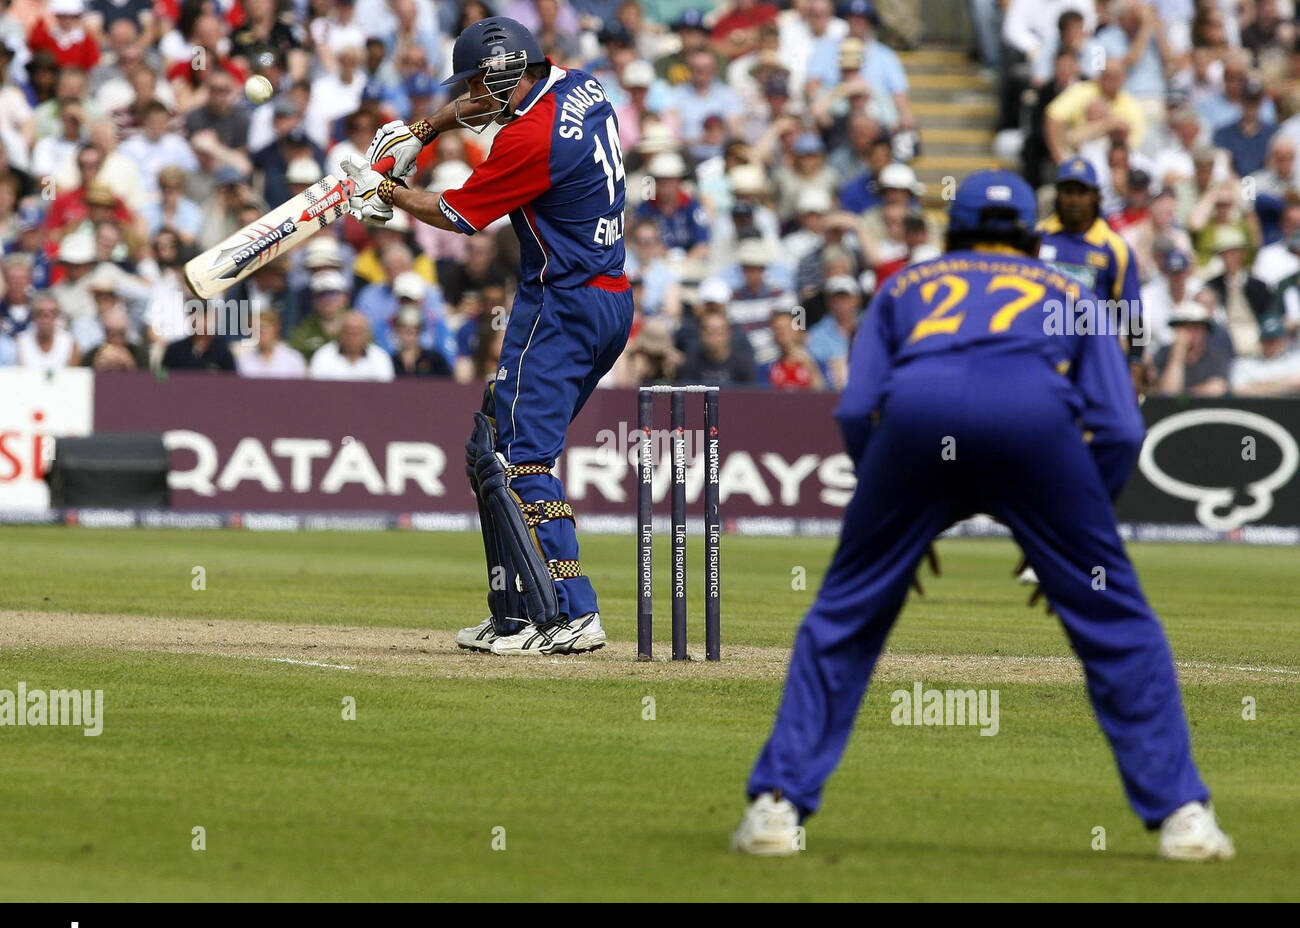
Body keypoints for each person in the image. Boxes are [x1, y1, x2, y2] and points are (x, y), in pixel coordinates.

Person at [731, 170, 1235, 864]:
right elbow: (1120, 430)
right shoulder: (1073, 293)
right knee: (1117, 623)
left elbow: (853, 409)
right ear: (1033, 233)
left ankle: (776, 808)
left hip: (916, 423)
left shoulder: (904, 286)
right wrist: (1078, 538)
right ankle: (1183, 815)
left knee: (844, 614)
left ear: (953, 228)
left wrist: (893, 510)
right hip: (1036, 427)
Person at [345, 15, 634, 656]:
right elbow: (485, 102)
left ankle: (570, 612)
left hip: (561, 302)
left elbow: (457, 215)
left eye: (480, 78)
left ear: (506, 74)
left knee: (519, 460)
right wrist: (420, 129)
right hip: (608, 297)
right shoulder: (579, 85)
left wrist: (386, 191)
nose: (473, 91)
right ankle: (515, 610)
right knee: (491, 451)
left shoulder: (529, 141)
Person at [1037, 157, 1147, 393]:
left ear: (1096, 196)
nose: (1074, 200)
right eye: (1068, 191)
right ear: (1057, 195)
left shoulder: (1114, 247)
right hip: (1042, 355)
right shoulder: (1037, 238)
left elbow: (1133, 314)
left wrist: (1135, 364)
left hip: (1094, 358)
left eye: (1082, 192)